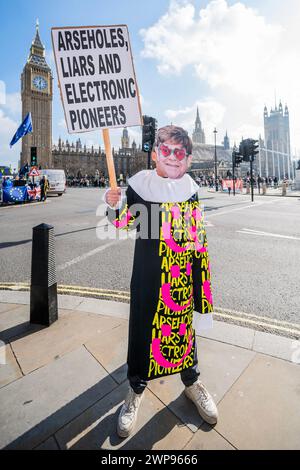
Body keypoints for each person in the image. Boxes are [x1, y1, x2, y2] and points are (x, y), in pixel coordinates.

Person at [104, 125, 217, 438]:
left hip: (180, 281)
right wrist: (113, 204)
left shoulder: (190, 190)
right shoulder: (140, 187)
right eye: (165, 150)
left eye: (179, 152)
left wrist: (201, 292)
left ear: (187, 160)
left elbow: (197, 240)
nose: (172, 157)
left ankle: (192, 383)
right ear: (154, 154)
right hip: (149, 277)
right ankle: (136, 390)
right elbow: (123, 223)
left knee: (185, 333)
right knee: (143, 332)